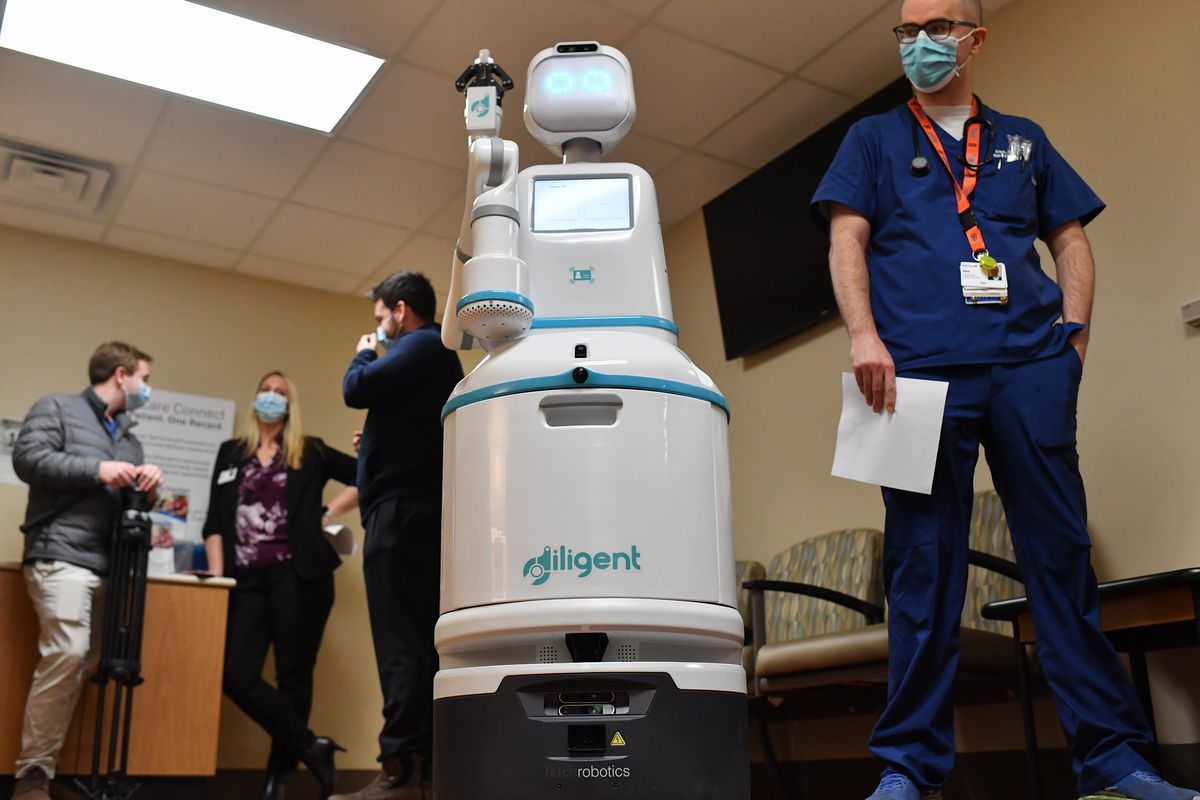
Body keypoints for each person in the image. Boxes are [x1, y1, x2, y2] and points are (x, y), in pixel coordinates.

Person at [811, 2, 1200, 799]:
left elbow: (1071, 238)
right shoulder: (872, 141)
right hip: (912, 378)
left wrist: (1076, 334)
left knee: (1060, 562)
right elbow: (845, 238)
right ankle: (907, 770)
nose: (921, 43)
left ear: (975, 40)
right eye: (907, 31)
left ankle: (1114, 762)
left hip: (1028, 366)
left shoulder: (1024, 139)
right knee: (922, 571)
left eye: (940, 26)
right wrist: (862, 337)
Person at [10, 342, 165, 800]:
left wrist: (149, 485)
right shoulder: (56, 407)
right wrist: (98, 468)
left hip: (110, 568)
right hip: (60, 556)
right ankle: (32, 778)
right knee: (70, 653)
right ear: (122, 375)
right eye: (145, 378)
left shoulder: (129, 437)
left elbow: (128, 500)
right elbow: (28, 460)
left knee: (81, 664)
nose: (146, 388)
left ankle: (48, 763)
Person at [333, 271, 463, 800]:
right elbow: (412, 424)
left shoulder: (423, 344)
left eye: (380, 318)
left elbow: (355, 389)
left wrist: (363, 353)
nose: (379, 328)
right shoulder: (429, 359)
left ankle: (402, 771)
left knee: (399, 641)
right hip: (414, 512)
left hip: (402, 517)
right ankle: (422, 769)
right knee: (412, 638)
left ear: (401, 310)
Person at [203, 372, 358, 800]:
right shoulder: (230, 453)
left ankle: (279, 774)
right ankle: (313, 746)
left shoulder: (308, 450)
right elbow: (214, 523)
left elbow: (366, 473)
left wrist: (326, 512)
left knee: (293, 677)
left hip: (299, 576)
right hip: (247, 579)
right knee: (236, 675)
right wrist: (220, 582)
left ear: (290, 405)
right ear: (255, 399)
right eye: (266, 391)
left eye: (281, 393)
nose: (272, 398)